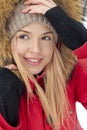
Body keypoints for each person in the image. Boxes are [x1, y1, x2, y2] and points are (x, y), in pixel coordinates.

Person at [0, 0, 87, 130]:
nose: (35, 49)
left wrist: (84, 48)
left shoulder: (70, 75)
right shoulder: (4, 86)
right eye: (24, 36)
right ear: (7, 42)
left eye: (45, 38)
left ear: (56, 43)